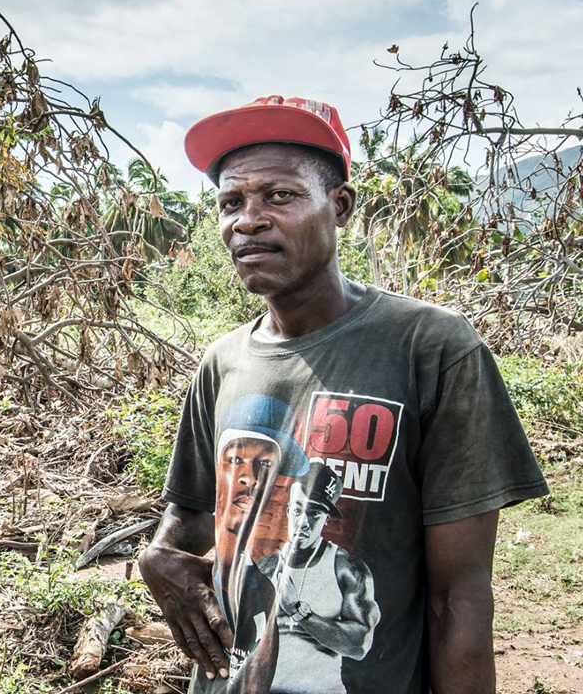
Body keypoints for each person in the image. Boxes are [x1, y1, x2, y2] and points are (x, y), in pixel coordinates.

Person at [137, 95, 549, 694]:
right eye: (231, 202)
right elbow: (194, 511)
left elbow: (458, 597)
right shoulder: (223, 361)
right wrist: (157, 556)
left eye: (279, 195)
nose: (248, 220)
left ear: (341, 206)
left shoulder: (430, 347)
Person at [256, 463, 381, 694]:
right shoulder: (266, 567)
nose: (303, 522)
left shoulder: (346, 569)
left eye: (314, 513)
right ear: (288, 511)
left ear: (326, 519)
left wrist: (299, 612)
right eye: (298, 510)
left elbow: (360, 645)